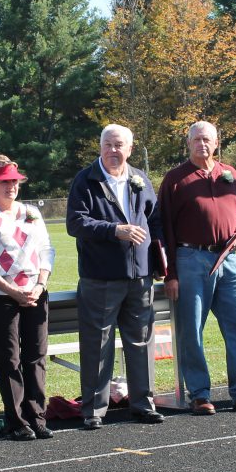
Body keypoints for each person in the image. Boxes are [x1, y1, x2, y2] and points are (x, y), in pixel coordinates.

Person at [160, 121, 236, 416]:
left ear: (216, 142)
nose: (201, 144)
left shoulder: (230, 174)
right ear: (188, 143)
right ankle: (199, 394)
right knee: (192, 329)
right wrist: (170, 273)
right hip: (190, 258)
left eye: (206, 139)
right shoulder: (175, 179)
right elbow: (164, 227)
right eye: (195, 139)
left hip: (229, 259)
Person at [66, 124, 165, 429]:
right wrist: (114, 230)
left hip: (140, 277)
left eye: (119, 145)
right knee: (98, 344)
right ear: (100, 147)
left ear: (130, 149)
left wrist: (160, 262)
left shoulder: (140, 179)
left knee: (141, 342)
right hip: (102, 278)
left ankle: (143, 404)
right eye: (108, 145)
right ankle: (94, 409)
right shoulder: (86, 180)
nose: (113, 151)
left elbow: (155, 220)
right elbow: (76, 223)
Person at [0, 155, 55, 440]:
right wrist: (11, 291)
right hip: (0, 297)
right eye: (4, 182)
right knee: (10, 359)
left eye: (14, 181)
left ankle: (37, 417)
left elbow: (46, 251)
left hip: (34, 293)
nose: (11, 186)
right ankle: (17, 421)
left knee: (36, 357)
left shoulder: (32, 213)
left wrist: (40, 285)